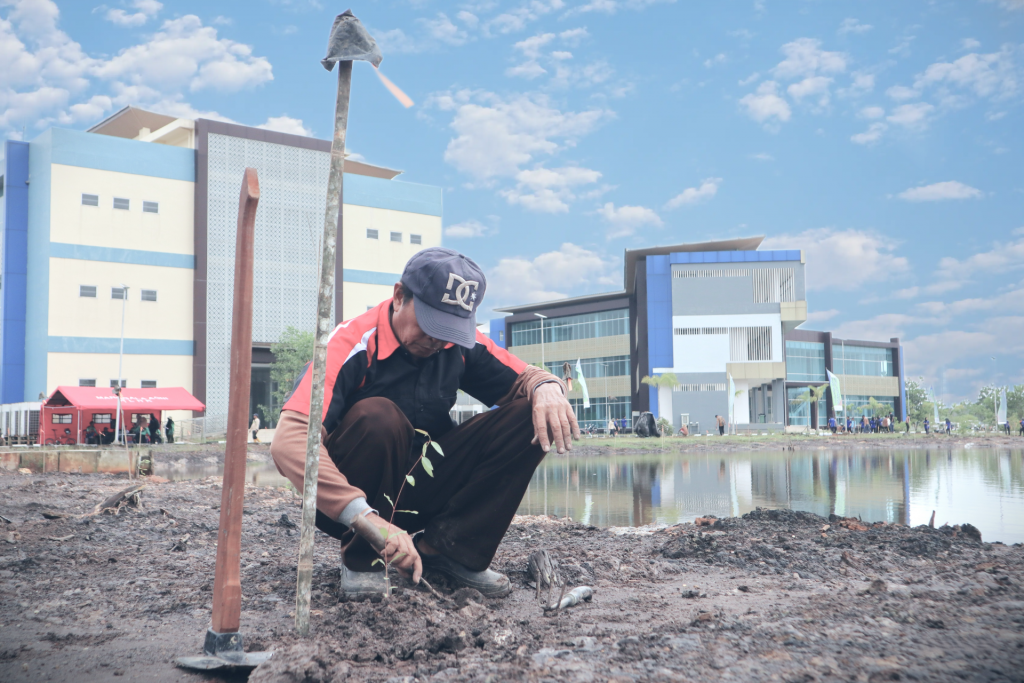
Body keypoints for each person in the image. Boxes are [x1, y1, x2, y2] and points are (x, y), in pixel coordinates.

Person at [270, 247, 578, 599]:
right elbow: (289, 441)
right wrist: (364, 517)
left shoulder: (457, 343)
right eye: (432, 325)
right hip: (350, 503)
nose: (439, 340)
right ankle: (364, 559)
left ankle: (447, 551)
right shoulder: (349, 343)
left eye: (452, 330)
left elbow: (526, 377)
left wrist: (548, 386)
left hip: (426, 488)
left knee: (530, 413)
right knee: (379, 416)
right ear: (399, 296)